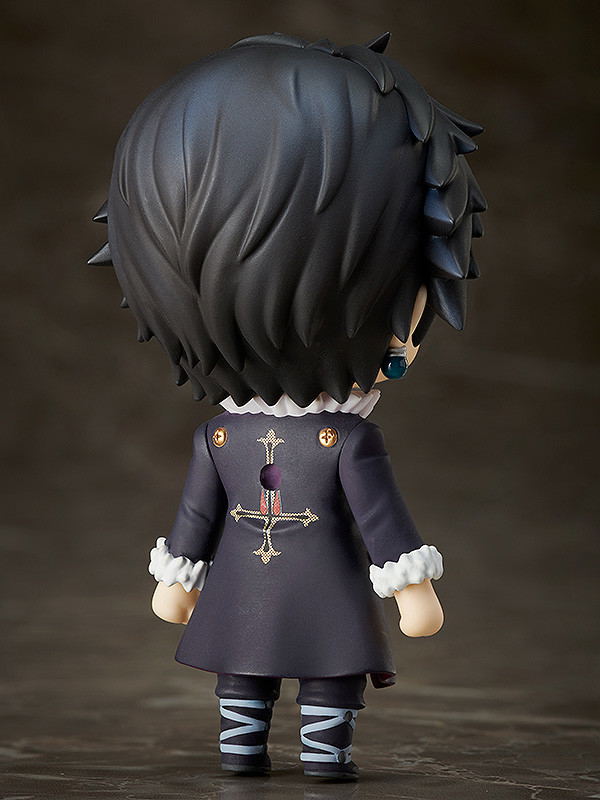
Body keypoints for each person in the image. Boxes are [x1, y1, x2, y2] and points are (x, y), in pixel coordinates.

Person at [89, 31, 486, 780]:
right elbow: (212, 516)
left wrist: (175, 582)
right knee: (288, 675)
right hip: (304, 596)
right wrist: (416, 593)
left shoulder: (233, 436)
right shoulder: (323, 440)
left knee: (284, 675)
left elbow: (368, 524)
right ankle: (286, 747)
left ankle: (284, 747)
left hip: (276, 594)